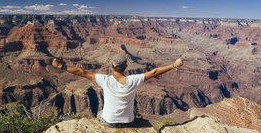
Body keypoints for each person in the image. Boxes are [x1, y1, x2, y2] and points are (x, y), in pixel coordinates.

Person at [52, 54, 183, 127]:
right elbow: (154, 72)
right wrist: (174, 65)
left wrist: (61, 66)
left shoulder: (105, 80)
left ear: (112, 66)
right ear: (126, 67)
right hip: (129, 122)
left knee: (99, 113)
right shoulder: (133, 80)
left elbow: (81, 72)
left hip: (109, 122)